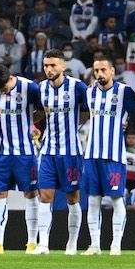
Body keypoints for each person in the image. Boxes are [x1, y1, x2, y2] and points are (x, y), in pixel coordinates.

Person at [77, 57, 135, 256]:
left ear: (112, 70)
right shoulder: (89, 92)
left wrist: (126, 123)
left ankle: (116, 244)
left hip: (114, 156)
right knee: (93, 200)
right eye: (96, 70)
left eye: (103, 69)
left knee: (116, 199)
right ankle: (95, 244)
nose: (100, 74)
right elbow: (84, 114)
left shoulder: (124, 91)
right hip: (92, 154)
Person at [30, 50, 85, 255]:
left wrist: (75, 125)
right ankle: (43, 244)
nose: (49, 69)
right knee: (45, 196)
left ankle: (72, 243)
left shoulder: (77, 87)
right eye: (46, 65)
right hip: (48, 150)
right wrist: (30, 124)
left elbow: (89, 110)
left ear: (63, 66)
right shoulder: (41, 88)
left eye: (53, 65)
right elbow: (38, 113)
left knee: (73, 197)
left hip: (71, 151)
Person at [0, 65, 37, 253]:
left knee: (31, 194)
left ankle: (32, 242)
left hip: (25, 152)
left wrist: (32, 125)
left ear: (10, 78)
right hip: (2, 152)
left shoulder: (29, 87)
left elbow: (43, 110)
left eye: (4, 88)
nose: (2, 92)